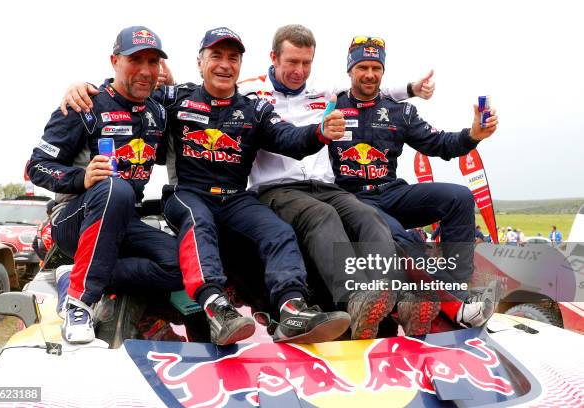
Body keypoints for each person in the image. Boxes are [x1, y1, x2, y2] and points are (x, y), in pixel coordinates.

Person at [237, 25, 439, 338]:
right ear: (273, 57)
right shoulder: (249, 90)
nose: (299, 71)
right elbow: (212, 92)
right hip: (276, 189)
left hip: (326, 186)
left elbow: (369, 87)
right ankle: (355, 300)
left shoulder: (322, 86)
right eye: (292, 62)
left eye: (306, 63)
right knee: (323, 217)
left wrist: (411, 88)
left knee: (369, 217)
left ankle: (392, 302)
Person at [157, 27, 353, 345]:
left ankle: (292, 311)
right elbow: (125, 101)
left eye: (232, 58)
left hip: (235, 198)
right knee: (199, 221)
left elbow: (290, 139)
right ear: (199, 62)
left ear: (240, 65)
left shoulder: (255, 108)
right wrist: (82, 89)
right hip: (188, 193)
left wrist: (320, 132)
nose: (224, 64)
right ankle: (217, 309)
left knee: (278, 232)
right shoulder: (175, 98)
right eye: (216, 56)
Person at [326, 36, 500, 329]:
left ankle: (456, 292)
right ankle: (452, 302)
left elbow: (440, 144)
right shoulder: (331, 106)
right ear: (350, 70)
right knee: (406, 238)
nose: (370, 74)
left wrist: (472, 135)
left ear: (383, 71)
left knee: (459, 197)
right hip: (351, 200)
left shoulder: (400, 111)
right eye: (362, 67)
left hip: (392, 192)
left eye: (376, 68)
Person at [27, 26, 184, 344]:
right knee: (116, 186)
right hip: (75, 220)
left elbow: (204, 103)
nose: (145, 70)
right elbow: (36, 167)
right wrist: (80, 178)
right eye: (135, 60)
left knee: (179, 264)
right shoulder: (85, 104)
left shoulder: (157, 111)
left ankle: (76, 276)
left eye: (153, 61)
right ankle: (79, 303)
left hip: (124, 223)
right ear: (114, 61)